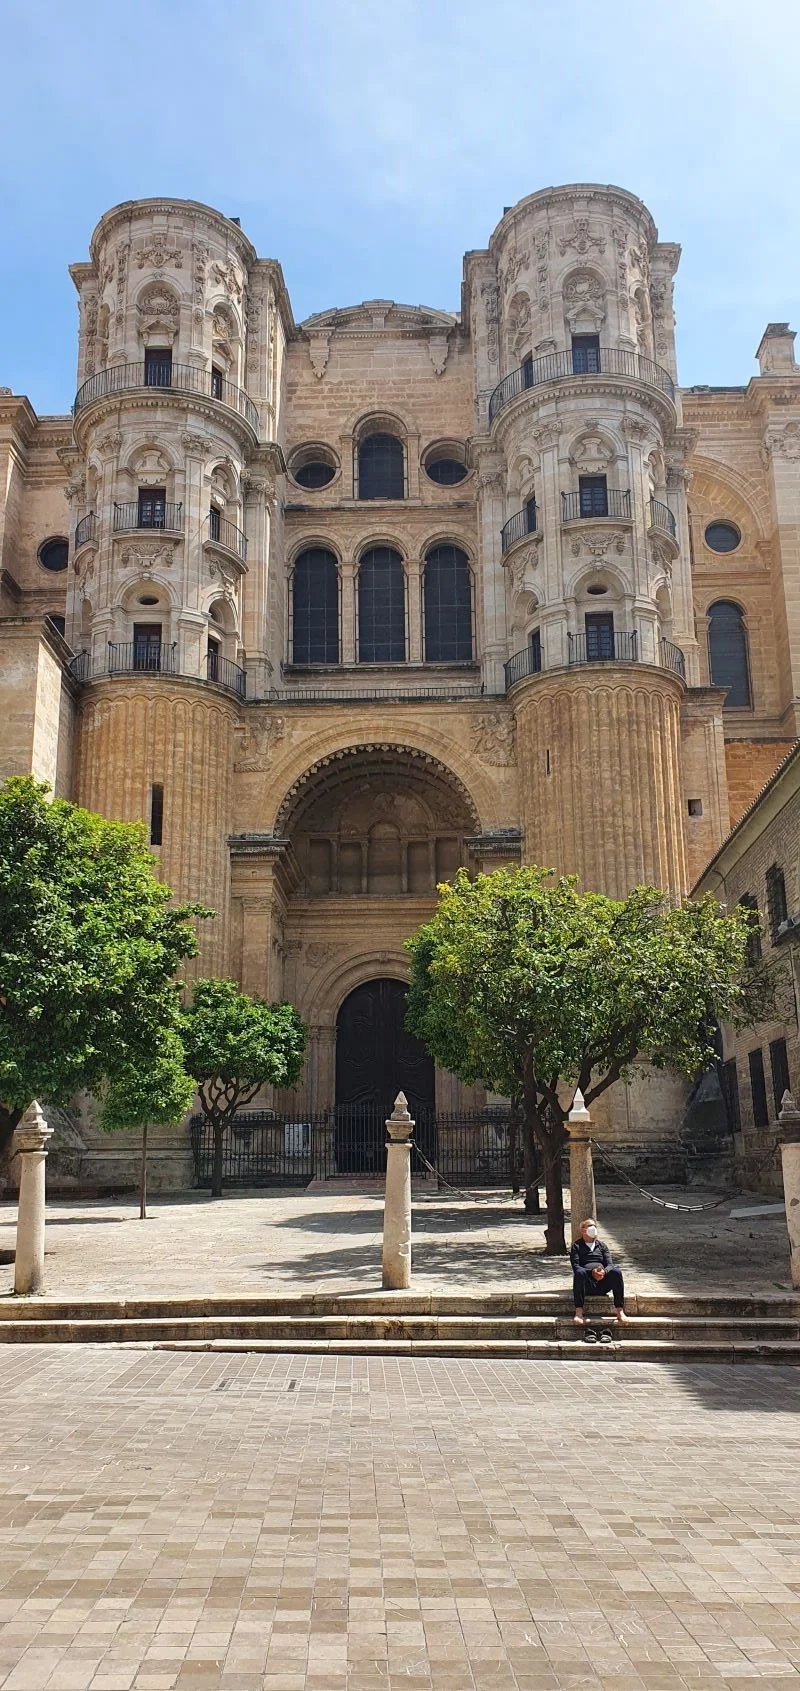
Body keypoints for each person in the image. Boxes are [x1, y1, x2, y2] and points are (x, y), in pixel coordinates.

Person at [570, 1218, 627, 1323]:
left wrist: (603, 1272)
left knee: (616, 1272)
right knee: (579, 1273)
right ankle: (579, 1312)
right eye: (591, 1226)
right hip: (587, 1284)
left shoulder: (602, 1246)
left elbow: (610, 1264)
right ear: (583, 1230)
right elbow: (576, 1266)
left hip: (602, 1282)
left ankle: (620, 1311)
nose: (594, 1228)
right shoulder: (576, 1246)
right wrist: (591, 1272)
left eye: (595, 1226)